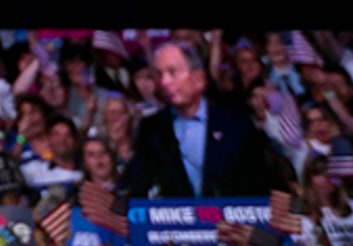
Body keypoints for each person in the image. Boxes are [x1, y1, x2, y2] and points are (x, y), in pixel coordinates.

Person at [120, 42, 279, 198]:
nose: (164, 82)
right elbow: (134, 186)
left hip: (230, 222)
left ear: (199, 79)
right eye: (160, 74)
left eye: (173, 72)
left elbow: (259, 187)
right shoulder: (152, 128)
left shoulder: (236, 125)